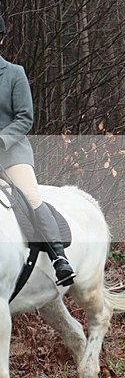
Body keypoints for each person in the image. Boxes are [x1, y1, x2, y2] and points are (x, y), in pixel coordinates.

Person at [0, 15, 76, 285]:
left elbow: (25, 118)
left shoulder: (13, 74)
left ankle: (59, 258)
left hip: (10, 153)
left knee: (31, 196)